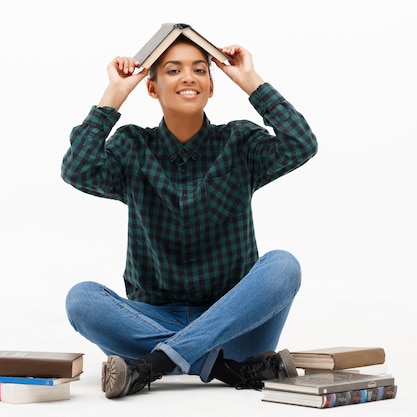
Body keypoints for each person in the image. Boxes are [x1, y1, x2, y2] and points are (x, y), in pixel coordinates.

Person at [61, 33, 318, 399]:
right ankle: (224, 369)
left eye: (199, 69)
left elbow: (301, 143)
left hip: (234, 322)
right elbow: (77, 170)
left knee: (284, 265)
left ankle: (157, 365)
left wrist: (249, 79)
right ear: (152, 89)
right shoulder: (132, 146)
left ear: (211, 87)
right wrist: (114, 94)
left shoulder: (240, 141)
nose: (188, 77)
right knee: (81, 300)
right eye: (173, 70)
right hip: (152, 321)